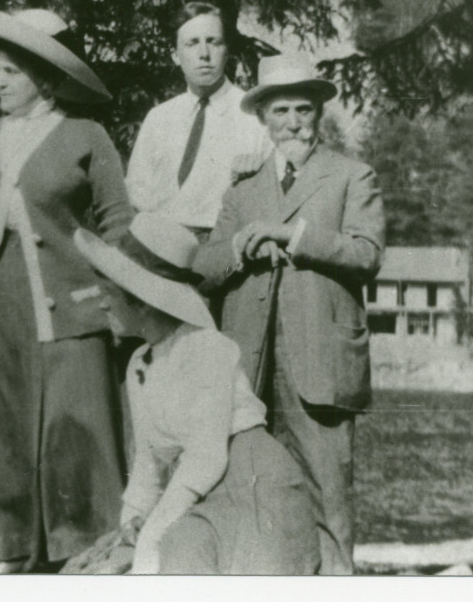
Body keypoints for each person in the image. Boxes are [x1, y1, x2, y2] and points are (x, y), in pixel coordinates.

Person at [0, 8, 132, 573]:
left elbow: (118, 223)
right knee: (1, 431)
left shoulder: (85, 136)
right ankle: (10, 548)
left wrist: (113, 296)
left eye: (11, 71)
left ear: (45, 78)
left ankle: (83, 551)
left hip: (73, 313)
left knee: (75, 433)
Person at [193, 53, 386, 575]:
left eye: (304, 109)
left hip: (320, 366)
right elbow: (203, 268)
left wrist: (292, 237)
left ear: (319, 112)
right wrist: (239, 248)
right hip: (248, 371)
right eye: (281, 112)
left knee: (328, 503)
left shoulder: (352, 175)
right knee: (252, 500)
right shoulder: (241, 192)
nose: (294, 122)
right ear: (263, 118)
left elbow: (367, 254)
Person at [73, 213, 320, 575]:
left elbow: (206, 457)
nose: (102, 304)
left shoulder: (207, 348)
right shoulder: (140, 363)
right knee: (130, 559)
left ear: (142, 301)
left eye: (109, 293)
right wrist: (131, 528)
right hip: (200, 489)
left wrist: (152, 535)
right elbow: (148, 465)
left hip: (254, 489)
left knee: (176, 554)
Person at [125, 1, 271, 243]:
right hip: (157, 244)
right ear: (175, 55)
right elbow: (135, 194)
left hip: (222, 246)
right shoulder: (159, 118)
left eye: (213, 42)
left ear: (227, 50)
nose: (204, 54)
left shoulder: (254, 118)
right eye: (192, 43)